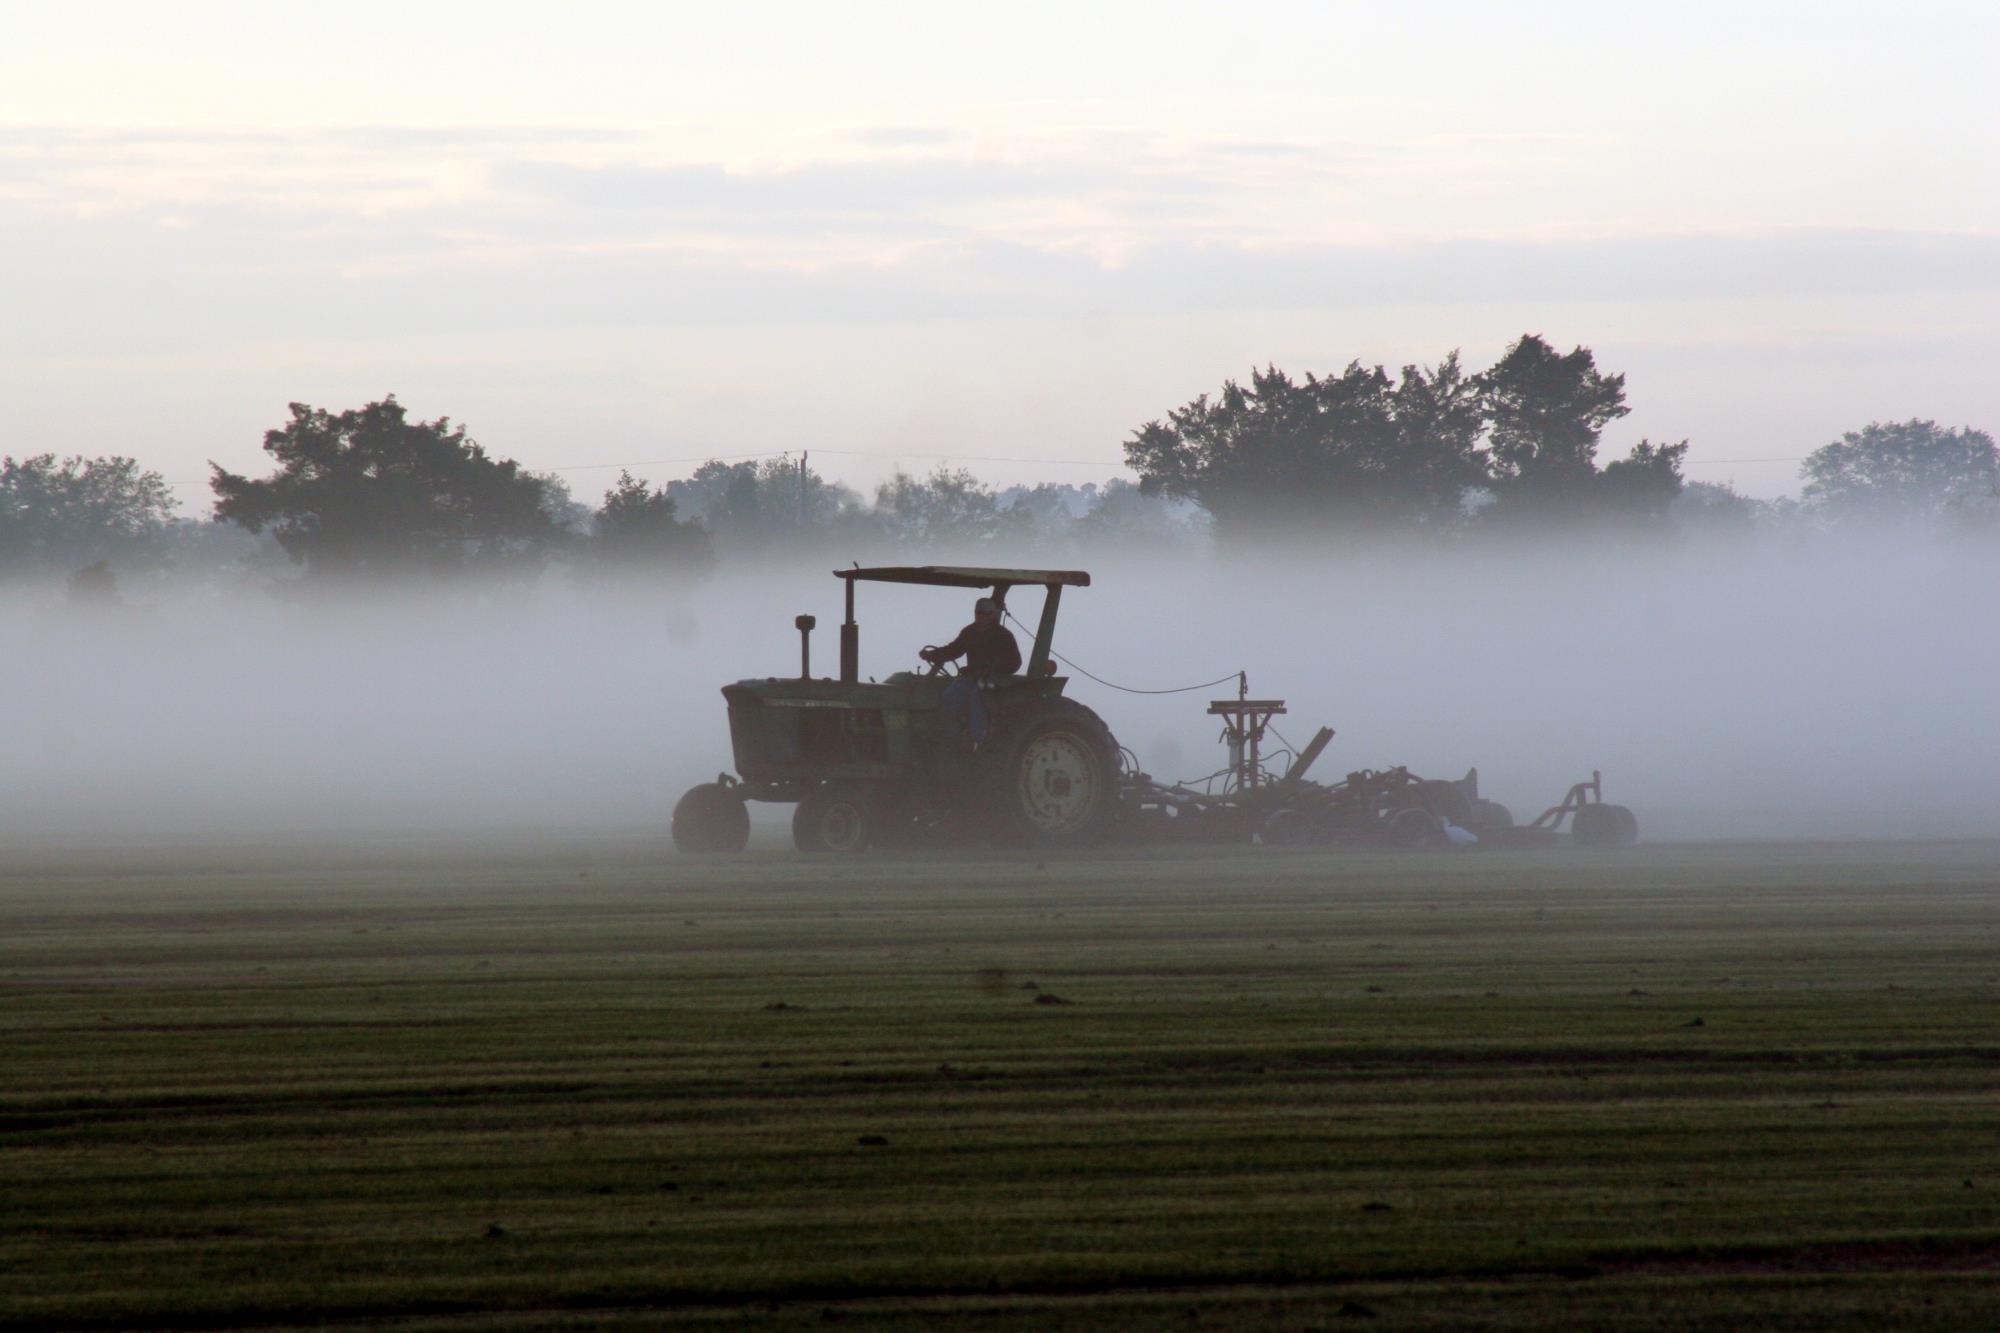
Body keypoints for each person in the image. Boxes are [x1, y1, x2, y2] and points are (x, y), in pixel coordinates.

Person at [920, 596, 1021, 746]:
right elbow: (954, 650)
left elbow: (1015, 662)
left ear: (992, 614)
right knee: (949, 696)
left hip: (995, 680)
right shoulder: (969, 632)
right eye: (979, 611)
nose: (982, 615)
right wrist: (932, 655)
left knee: (977, 697)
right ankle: (952, 739)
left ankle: (977, 742)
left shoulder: (1003, 635)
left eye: (986, 612)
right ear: (975, 613)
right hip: (973, 677)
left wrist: (993, 668)